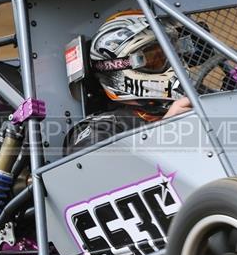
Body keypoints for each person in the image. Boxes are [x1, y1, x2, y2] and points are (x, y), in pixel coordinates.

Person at [63, 10, 193, 156]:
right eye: (156, 59)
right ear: (119, 71)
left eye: (174, 53)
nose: (175, 66)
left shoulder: (198, 95)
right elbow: (96, 174)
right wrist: (166, 130)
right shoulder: (100, 129)